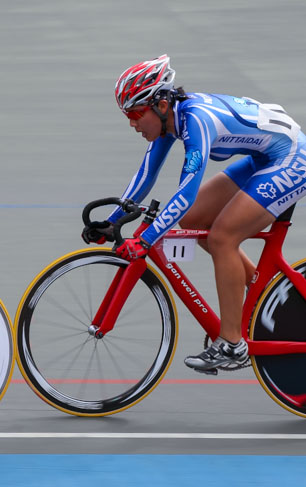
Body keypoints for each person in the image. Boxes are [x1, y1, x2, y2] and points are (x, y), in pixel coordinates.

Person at [82, 55, 306, 373]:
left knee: (222, 238)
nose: (131, 123)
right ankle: (260, 296)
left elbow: (186, 193)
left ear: (160, 104)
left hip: (292, 158)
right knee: (194, 221)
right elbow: (146, 175)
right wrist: (113, 220)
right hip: (266, 156)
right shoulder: (169, 121)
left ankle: (232, 344)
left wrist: (146, 239)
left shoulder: (195, 120)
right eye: (126, 115)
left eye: (134, 113)